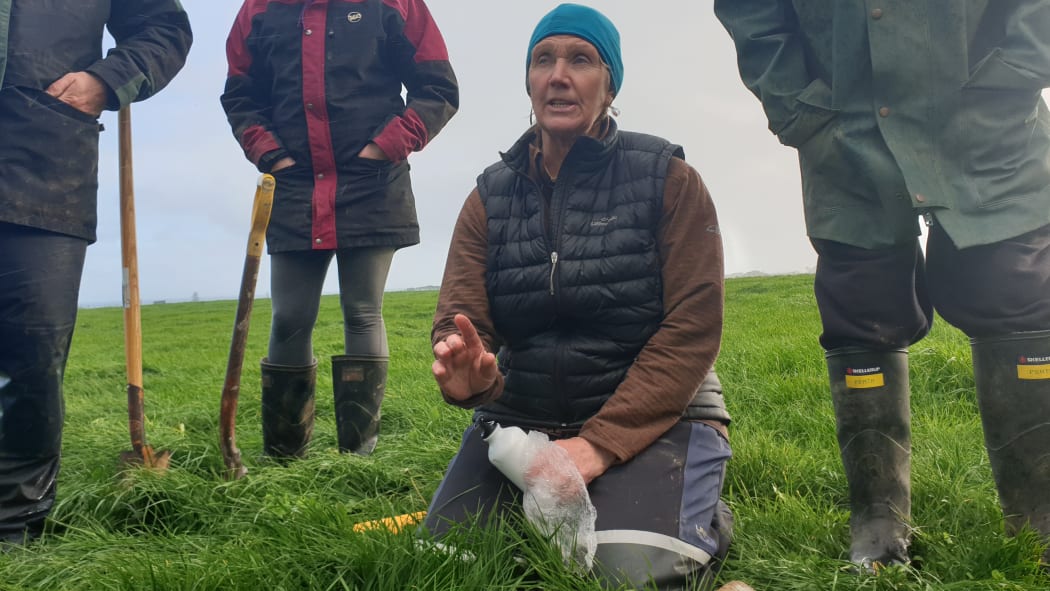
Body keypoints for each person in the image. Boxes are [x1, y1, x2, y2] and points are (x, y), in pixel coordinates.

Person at [715, 1, 1050, 570]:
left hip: (987, 111)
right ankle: (878, 518)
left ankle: (1039, 512)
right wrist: (796, 103)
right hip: (843, 119)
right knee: (860, 305)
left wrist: (1018, 69)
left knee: (1015, 289)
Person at [424, 5, 734, 589]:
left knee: (627, 573)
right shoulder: (488, 198)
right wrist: (471, 377)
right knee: (450, 568)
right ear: (529, 81)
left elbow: (692, 329)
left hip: (656, 420)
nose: (558, 75)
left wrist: (594, 447)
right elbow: (462, 320)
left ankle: (702, 516)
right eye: (544, 60)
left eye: (581, 60)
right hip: (525, 416)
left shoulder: (667, 179)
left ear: (609, 84)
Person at [221, 0, 459, 458]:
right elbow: (239, 96)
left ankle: (358, 457)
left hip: (372, 183)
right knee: (290, 316)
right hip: (293, 186)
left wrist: (386, 145)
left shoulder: (395, 5)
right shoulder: (259, 10)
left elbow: (438, 88)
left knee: (363, 311)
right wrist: (270, 154)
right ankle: (285, 456)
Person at [0, 0, 192, 546]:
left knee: (31, 355)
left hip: (43, 161)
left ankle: (13, 532)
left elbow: (162, 26)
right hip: (47, 154)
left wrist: (105, 81)